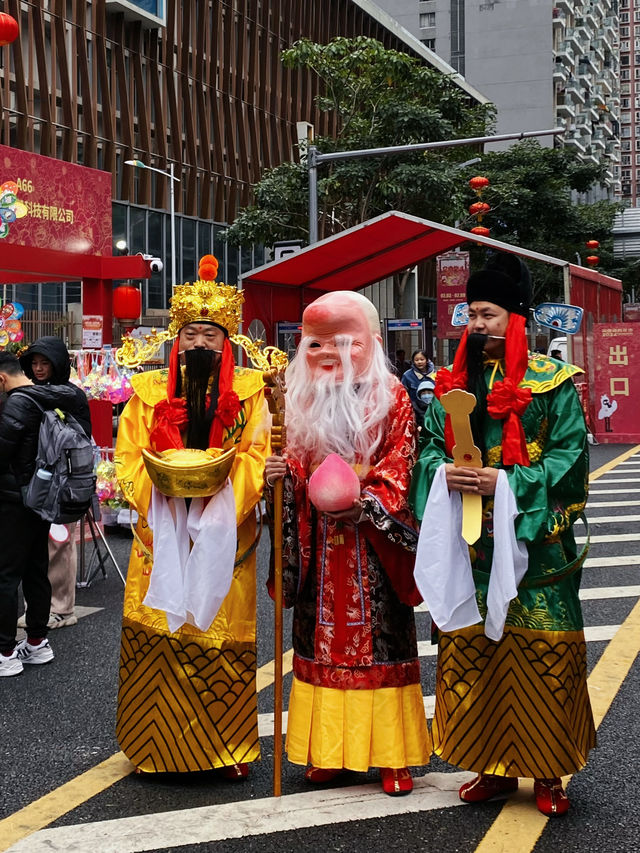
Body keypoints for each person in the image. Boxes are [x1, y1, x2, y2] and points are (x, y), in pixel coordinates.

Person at [410, 251, 595, 817]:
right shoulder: (449, 387)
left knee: (545, 653)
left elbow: (570, 455)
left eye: (487, 314)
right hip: (472, 543)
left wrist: (506, 481)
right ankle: (488, 764)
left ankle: (548, 770)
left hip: (535, 542)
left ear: (515, 318)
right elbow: (430, 453)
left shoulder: (552, 383)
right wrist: (444, 473)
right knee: (473, 653)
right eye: (470, 314)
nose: (476, 325)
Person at [264, 290, 431, 796]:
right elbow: (292, 461)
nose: (329, 353)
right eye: (316, 344)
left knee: (381, 646)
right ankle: (328, 753)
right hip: (317, 544)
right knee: (318, 645)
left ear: (370, 343)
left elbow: (403, 463)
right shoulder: (298, 400)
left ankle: (390, 755)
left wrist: (368, 501)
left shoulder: (393, 396)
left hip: (372, 544)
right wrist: (281, 475)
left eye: (343, 341)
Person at [114, 262, 270, 777]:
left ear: (228, 342)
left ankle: (224, 750)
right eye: (191, 332)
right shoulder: (147, 392)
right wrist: (165, 489)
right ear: (175, 338)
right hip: (158, 533)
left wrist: (216, 490)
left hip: (226, 536)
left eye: (211, 333)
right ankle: (152, 748)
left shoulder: (252, 394)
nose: (200, 342)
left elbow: (255, 456)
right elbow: (128, 458)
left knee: (219, 635)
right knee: (158, 632)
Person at [0, 352, 80, 677]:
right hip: (42, 497)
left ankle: (4, 651)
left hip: (12, 500)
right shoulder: (48, 397)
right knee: (36, 569)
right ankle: (36, 643)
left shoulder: (15, 404)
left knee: (5, 576)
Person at [18, 337, 92, 630]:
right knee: (37, 544)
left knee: (58, 542)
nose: (38, 369)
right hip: (42, 477)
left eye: (44, 363)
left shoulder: (69, 394)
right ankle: (39, 607)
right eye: (33, 363)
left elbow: (31, 399)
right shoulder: (36, 392)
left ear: (58, 364)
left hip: (68, 481)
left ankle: (62, 608)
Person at [401, 349, 435, 424]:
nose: (419, 362)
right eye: (416, 360)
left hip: (434, 412)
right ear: (413, 361)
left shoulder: (437, 374)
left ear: (427, 360)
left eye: (422, 359)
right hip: (415, 413)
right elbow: (403, 396)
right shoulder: (407, 376)